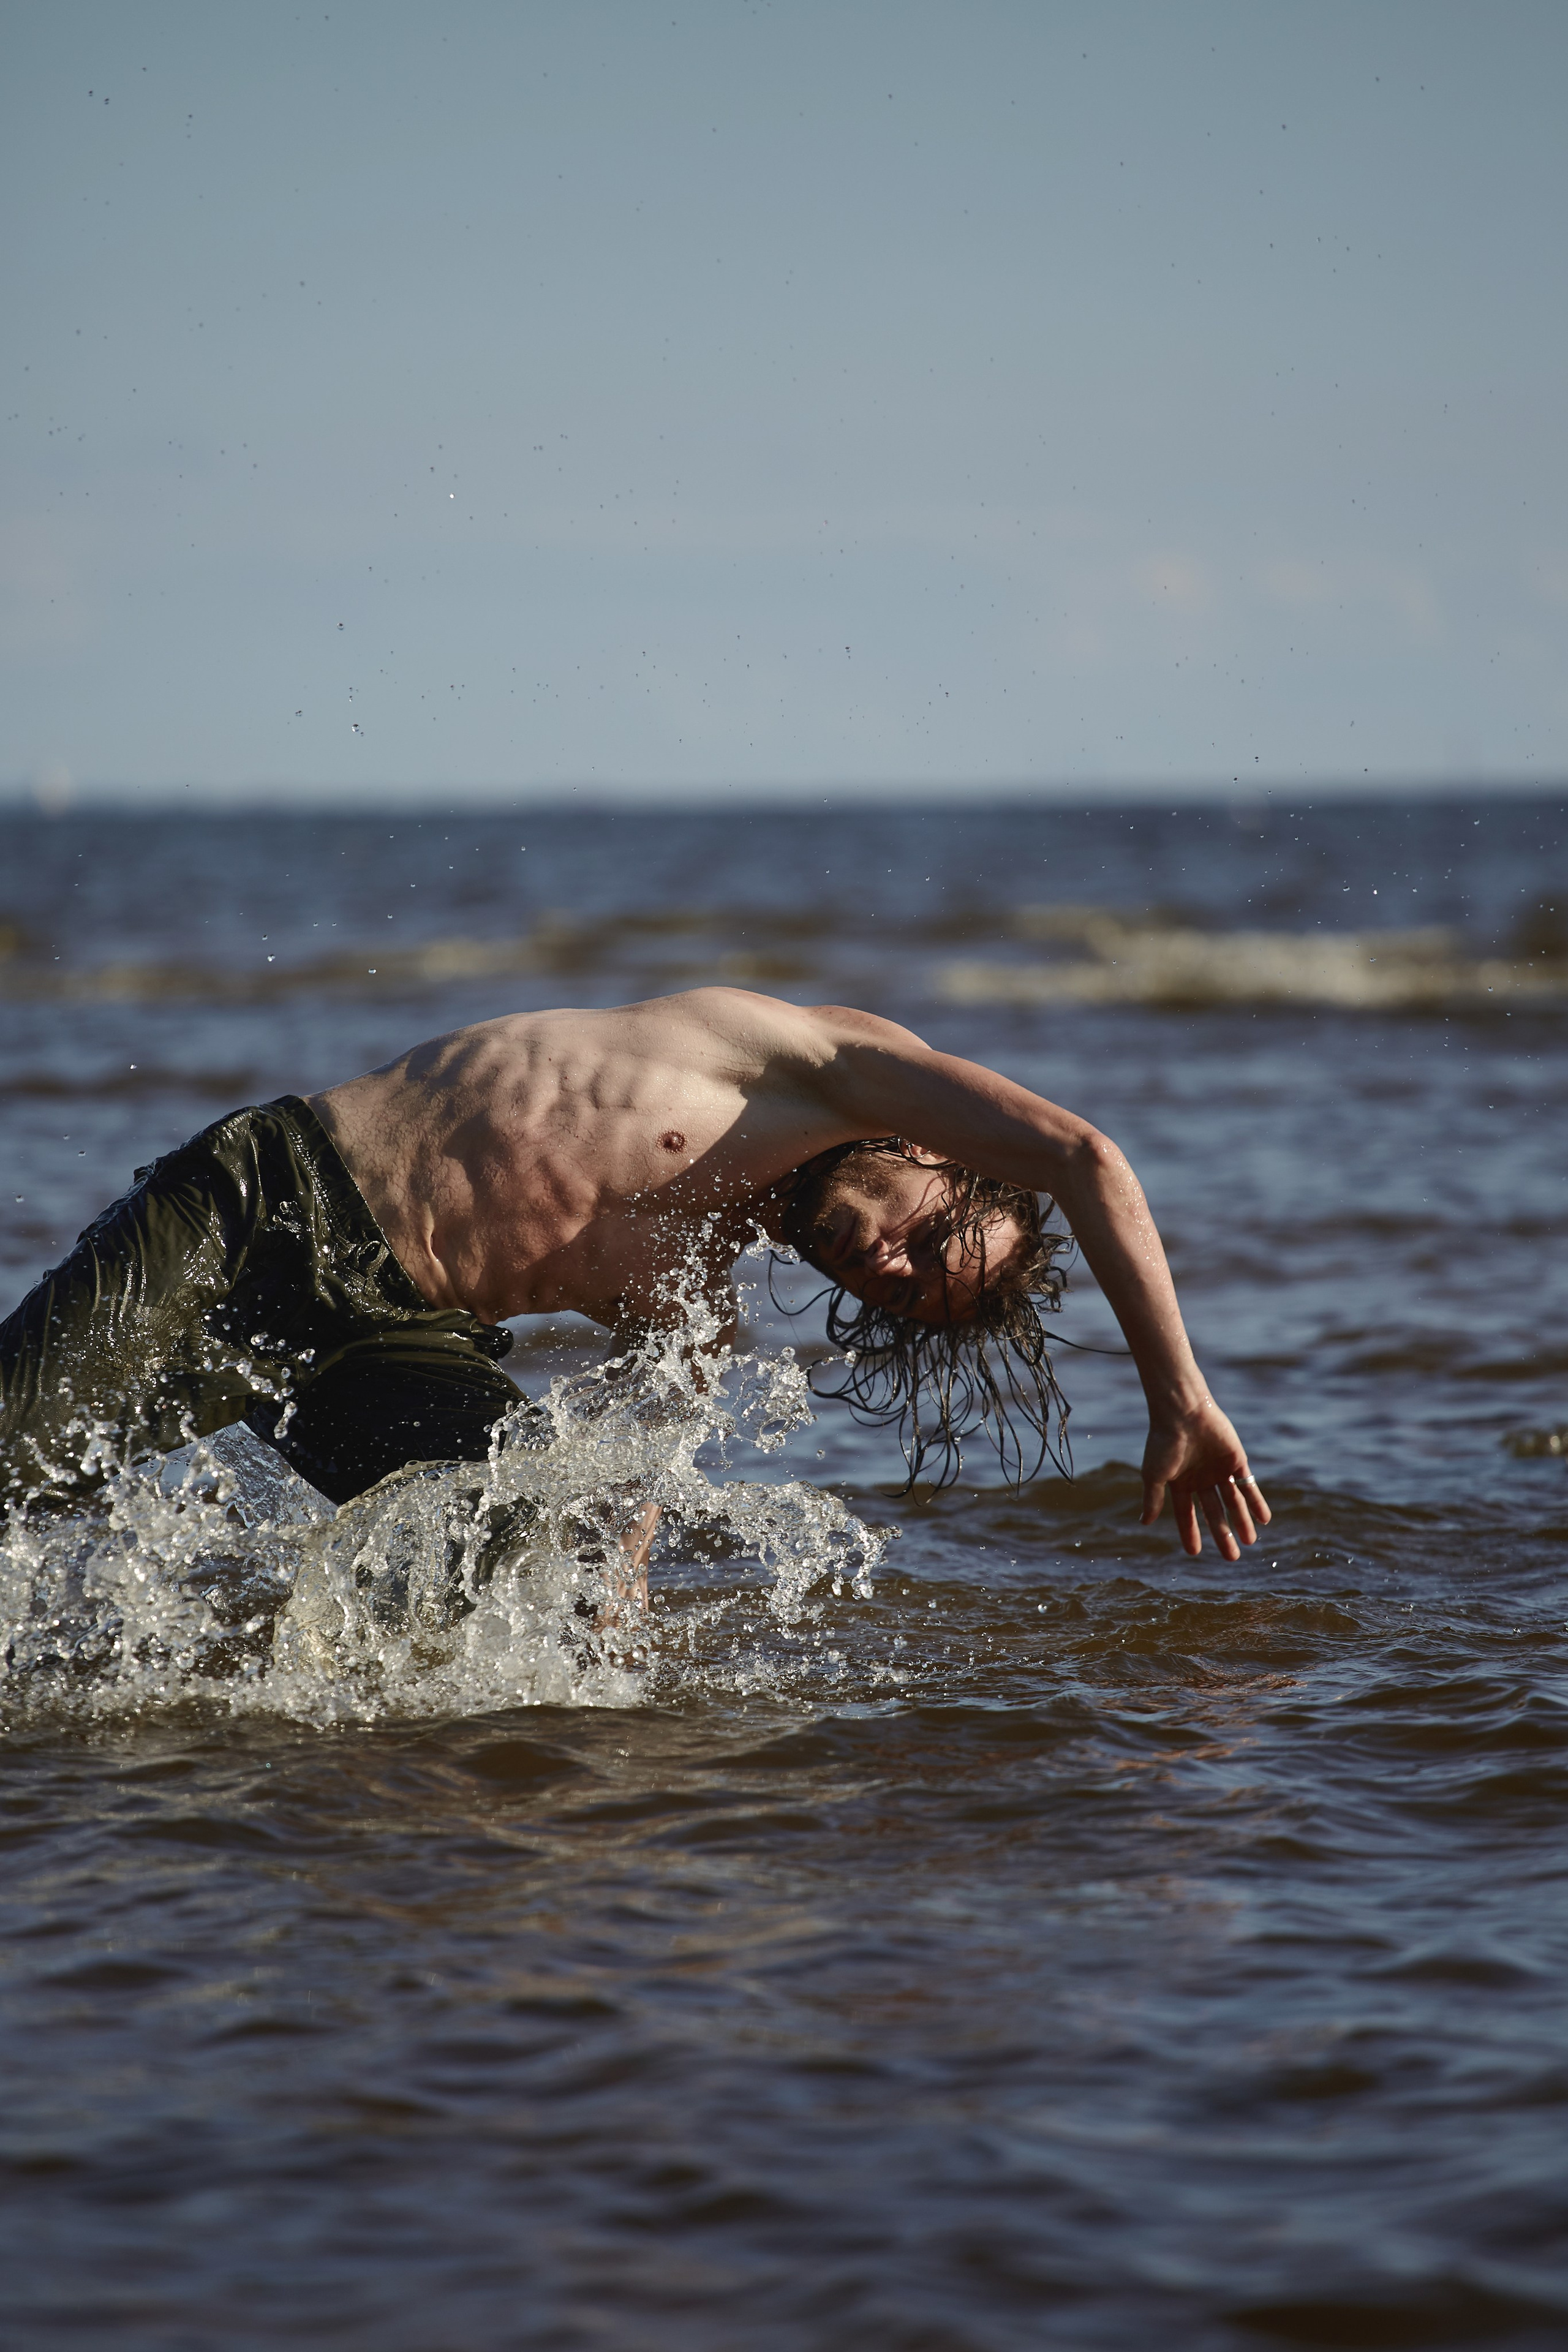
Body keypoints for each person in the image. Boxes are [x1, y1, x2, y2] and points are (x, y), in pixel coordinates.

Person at [0, 987, 1268, 1557]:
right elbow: (1083, 1157)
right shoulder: (804, 1066)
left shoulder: (691, 1282)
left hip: (386, 1339)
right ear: (937, 1154)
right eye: (925, 1238)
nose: (883, 1262)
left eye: (895, 1289)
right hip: (263, 1206)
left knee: (526, 1562)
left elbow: (634, 1478)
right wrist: (1178, 1397)